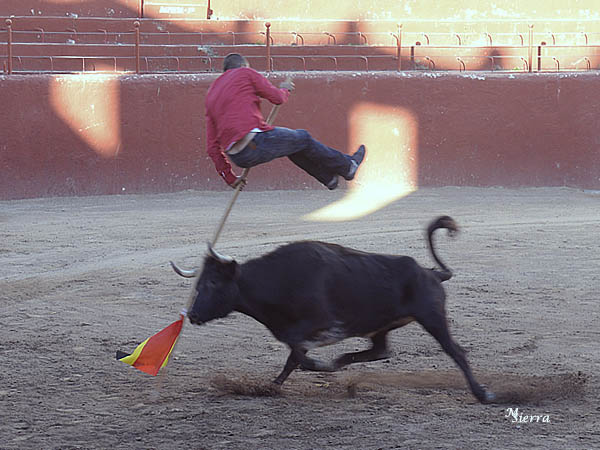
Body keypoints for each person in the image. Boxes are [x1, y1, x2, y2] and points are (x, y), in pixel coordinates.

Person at [205, 53, 365, 190]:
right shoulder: (245, 73)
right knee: (303, 138)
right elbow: (278, 98)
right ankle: (347, 167)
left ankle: (328, 178)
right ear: (244, 65)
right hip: (255, 142)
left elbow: (212, 148)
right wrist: (285, 89)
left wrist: (230, 178)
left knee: (293, 145)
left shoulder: (211, 94)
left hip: (239, 157)